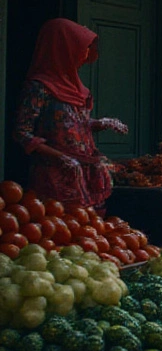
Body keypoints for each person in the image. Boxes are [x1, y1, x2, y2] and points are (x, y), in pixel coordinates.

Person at [13, 19, 128, 211]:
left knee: (94, 232)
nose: (86, 54)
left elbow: (72, 124)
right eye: (81, 48)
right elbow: (21, 133)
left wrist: (100, 123)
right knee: (62, 230)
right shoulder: (39, 88)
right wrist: (60, 157)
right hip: (55, 176)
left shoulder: (76, 87)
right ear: (63, 49)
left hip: (85, 171)